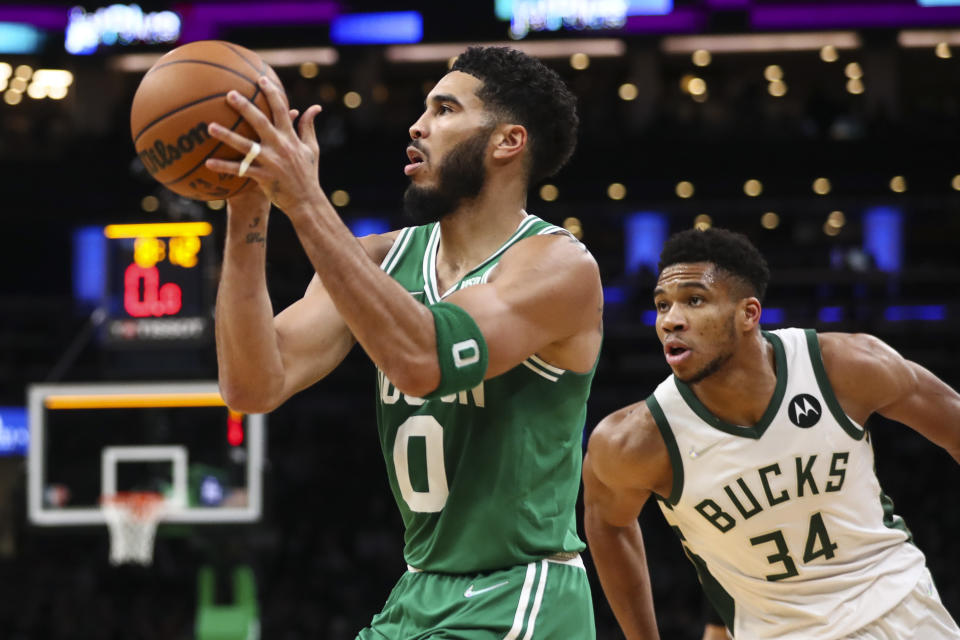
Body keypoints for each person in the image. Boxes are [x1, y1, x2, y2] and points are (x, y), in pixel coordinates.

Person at [206, 46, 602, 638]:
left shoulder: (557, 266)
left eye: (444, 110)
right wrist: (248, 210)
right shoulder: (378, 259)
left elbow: (425, 360)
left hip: (519, 592)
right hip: (418, 588)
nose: (417, 126)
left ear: (507, 142)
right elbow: (254, 383)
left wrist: (306, 201)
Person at [583, 227, 960, 639]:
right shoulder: (636, 440)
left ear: (749, 313)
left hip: (902, 611)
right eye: (662, 305)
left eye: (694, 300)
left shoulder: (844, 366)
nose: (671, 320)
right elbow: (609, 526)